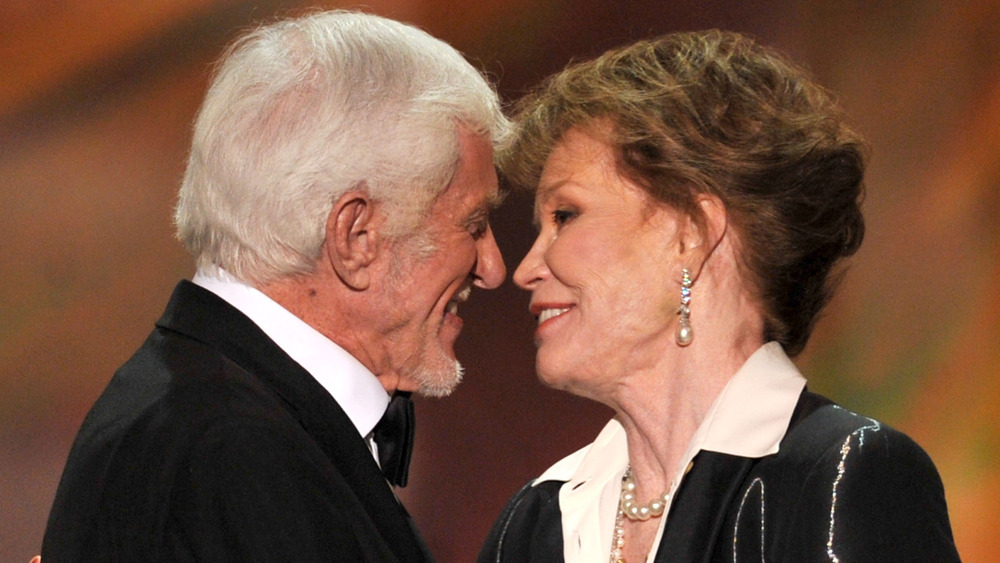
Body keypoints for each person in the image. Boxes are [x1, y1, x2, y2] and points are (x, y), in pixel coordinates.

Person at [41, 10, 508, 562]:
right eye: (473, 225)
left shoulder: (202, 410)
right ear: (356, 236)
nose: (493, 267)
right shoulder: (235, 460)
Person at [479, 30, 960, 562]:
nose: (525, 269)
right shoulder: (534, 522)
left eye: (565, 216)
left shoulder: (845, 474)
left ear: (690, 233)